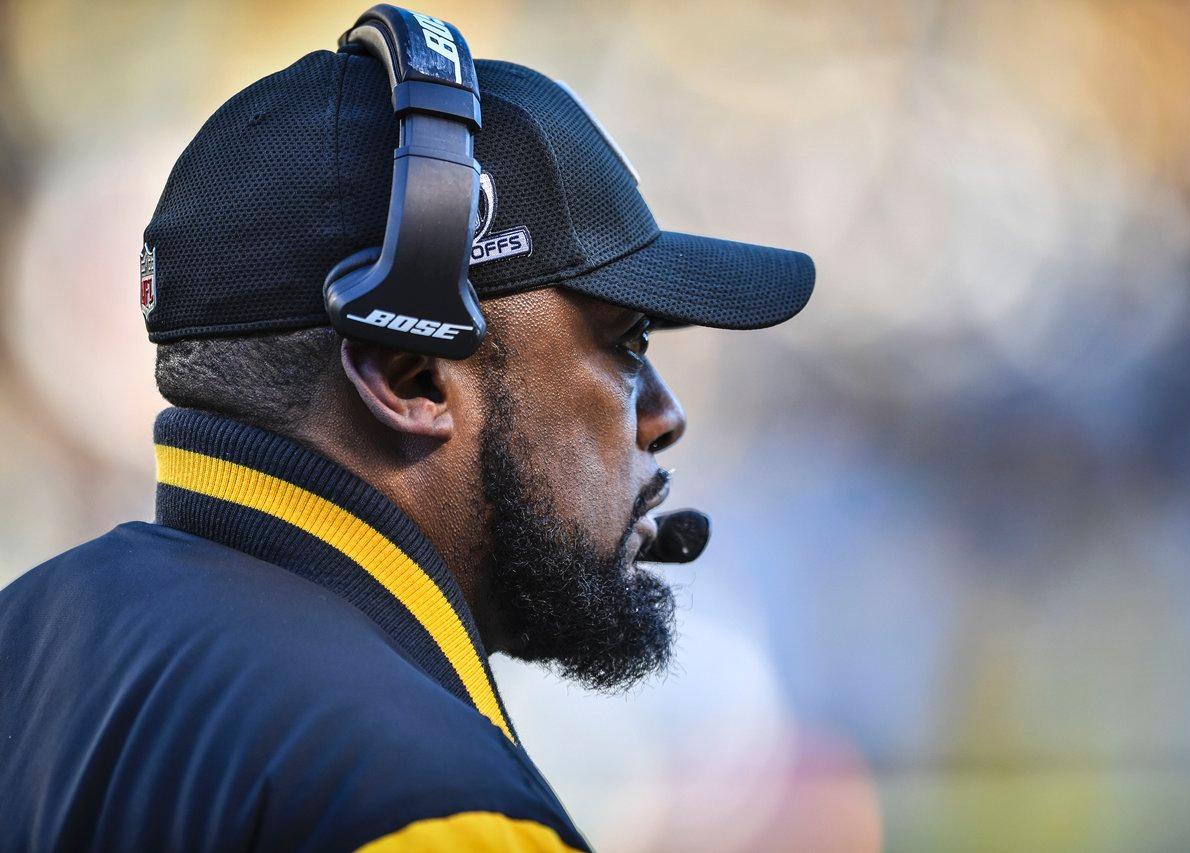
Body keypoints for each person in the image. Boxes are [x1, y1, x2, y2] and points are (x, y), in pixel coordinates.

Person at [0, 15, 813, 852]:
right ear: (410, 376)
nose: (663, 416)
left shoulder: (23, 643)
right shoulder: (431, 804)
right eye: (626, 343)